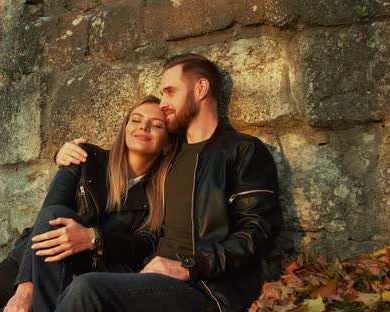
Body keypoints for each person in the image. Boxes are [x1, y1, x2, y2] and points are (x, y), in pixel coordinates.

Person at [53, 53, 282, 312]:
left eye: (170, 92)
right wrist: (64, 154)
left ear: (201, 88)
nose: (163, 103)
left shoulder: (242, 150)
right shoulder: (168, 157)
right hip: (148, 277)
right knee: (63, 271)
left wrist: (189, 266)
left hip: (206, 289)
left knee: (87, 290)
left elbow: (259, 232)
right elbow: (118, 163)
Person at [0, 96, 175, 312]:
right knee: (54, 215)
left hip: (86, 277)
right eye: (136, 120)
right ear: (125, 127)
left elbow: (144, 246)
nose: (143, 127)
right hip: (31, 259)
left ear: (167, 143)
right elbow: (48, 213)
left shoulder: (164, 192)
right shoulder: (85, 157)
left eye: (157, 125)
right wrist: (25, 289)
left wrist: (93, 238)